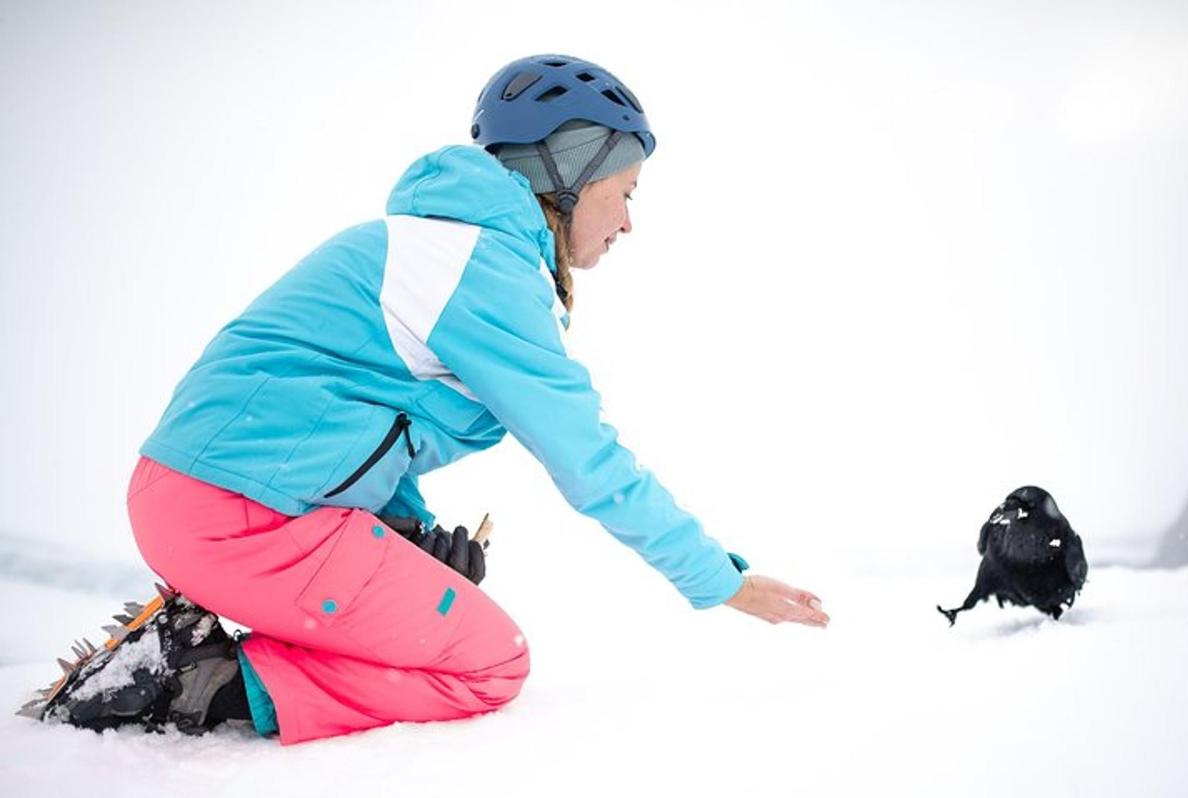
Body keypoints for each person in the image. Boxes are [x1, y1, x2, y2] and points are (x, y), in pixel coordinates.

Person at [20, 54, 829, 745]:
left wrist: (399, 524)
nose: (627, 222)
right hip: (238, 514)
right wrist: (720, 581)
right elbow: (588, 459)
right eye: (626, 189)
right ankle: (196, 681)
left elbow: (354, 410)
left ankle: (195, 654)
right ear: (569, 171)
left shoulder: (435, 248)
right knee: (489, 663)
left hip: (216, 498)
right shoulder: (478, 267)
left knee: (446, 622)